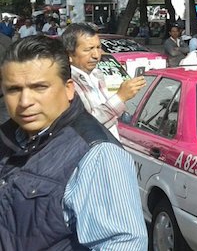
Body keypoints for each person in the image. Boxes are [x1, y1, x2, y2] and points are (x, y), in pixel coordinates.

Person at [0, 35, 147, 249]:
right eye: (14, 90)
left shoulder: (97, 154)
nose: (25, 102)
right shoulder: (12, 137)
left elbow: (122, 243)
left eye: (39, 87)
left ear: (69, 89)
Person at [62, 23, 147, 139]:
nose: (96, 55)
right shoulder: (69, 83)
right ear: (69, 55)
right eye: (88, 49)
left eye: (98, 47)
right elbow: (88, 124)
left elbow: (109, 116)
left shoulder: (97, 74)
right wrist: (120, 97)